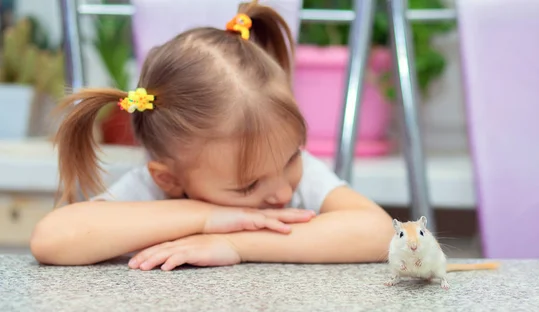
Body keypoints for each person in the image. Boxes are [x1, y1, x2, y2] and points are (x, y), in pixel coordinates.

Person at [30, 1, 394, 270]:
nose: (283, 192)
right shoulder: (154, 191)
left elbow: (379, 233)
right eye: (248, 186)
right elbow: (53, 239)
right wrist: (204, 217)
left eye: (292, 156)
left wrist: (234, 243)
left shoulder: (283, 171)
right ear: (169, 179)